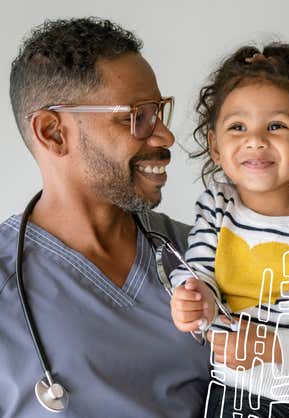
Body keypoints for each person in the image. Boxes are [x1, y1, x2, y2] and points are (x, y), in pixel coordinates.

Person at [0, 17, 214, 418]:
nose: (165, 136)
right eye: (136, 116)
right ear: (53, 133)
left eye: (159, 112)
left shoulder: (202, 252)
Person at [170, 43, 289, 417]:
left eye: (276, 126)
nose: (255, 139)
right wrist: (192, 298)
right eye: (237, 127)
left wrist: (273, 347)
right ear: (215, 146)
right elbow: (198, 273)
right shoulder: (216, 207)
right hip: (224, 396)